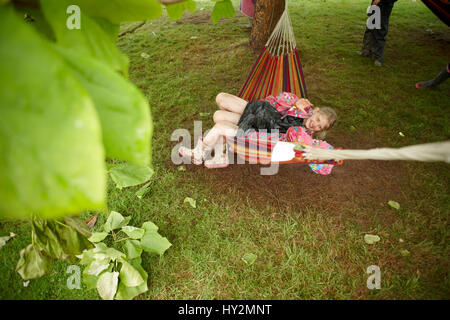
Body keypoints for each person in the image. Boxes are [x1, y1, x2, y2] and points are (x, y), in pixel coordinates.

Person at [178, 92, 338, 168]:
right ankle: (220, 156)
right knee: (219, 105)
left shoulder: (302, 135)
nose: (315, 125)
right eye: (317, 119)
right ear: (315, 110)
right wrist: (295, 103)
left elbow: (312, 148)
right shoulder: (300, 106)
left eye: (319, 127)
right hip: (256, 111)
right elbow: (279, 97)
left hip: (257, 133)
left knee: (220, 123)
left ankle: (198, 154)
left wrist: (329, 156)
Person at [357, 0, 397, 66]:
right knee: (370, 29)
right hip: (375, 5)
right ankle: (366, 51)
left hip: (385, 7)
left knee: (380, 33)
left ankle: (377, 57)